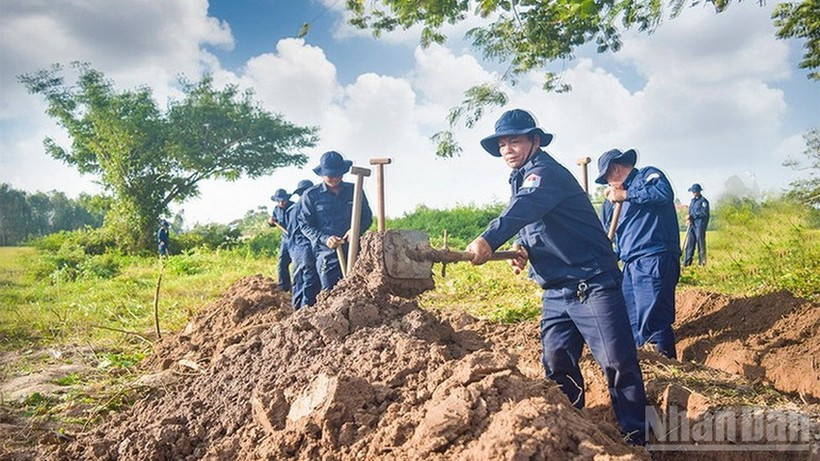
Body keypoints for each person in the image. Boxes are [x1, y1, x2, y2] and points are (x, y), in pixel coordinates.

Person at [465, 109, 649, 445]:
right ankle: (572, 432)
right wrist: (523, 247)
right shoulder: (520, 177)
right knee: (556, 362)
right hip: (555, 291)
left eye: (515, 141)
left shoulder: (544, 173)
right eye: (502, 143)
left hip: (590, 284)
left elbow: (523, 209)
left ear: (535, 140)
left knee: (617, 363)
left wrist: (487, 240)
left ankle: (636, 439)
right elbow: (535, 222)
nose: (507, 149)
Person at [596, 148, 681, 359]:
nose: (608, 183)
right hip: (630, 263)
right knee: (631, 320)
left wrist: (626, 195)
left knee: (653, 318)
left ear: (615, 168)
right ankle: (644, 365)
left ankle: (667, 368)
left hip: (655, 257)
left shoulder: (648, 175)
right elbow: (607, 233)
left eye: (607, 177)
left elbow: (664, 193)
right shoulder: (612, 201)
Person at [298, 151, 373, 291]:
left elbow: (367, 217)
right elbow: (305, 225)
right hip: (327, 253)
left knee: (359, 293)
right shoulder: (311, 195)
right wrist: (326, 239)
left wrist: (356, 230)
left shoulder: (355, 191)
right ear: (322, 174)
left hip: (354, 250)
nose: (334, 178)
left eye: (337, 174)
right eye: (330, 175)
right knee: (330, 294)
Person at [287, 179, 321, 309]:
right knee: (310, 280)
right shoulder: (307, 207)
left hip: (294, 249)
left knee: (298, 280)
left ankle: (296, 309)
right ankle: (306, 310)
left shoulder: (291, 209)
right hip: (306, 247)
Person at [269, 188, 293, 292]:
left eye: (283, 200)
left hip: (296, 239)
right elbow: (273, 222)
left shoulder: (294, 207)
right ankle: (284, 286)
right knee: (282, 263)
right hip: (285, 240)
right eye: (278, 201)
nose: (281, 203)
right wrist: (271, 221)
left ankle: (297, 286)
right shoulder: (276, 209)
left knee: (299, 264)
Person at [683, 183, 709, 266]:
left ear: (699, 191)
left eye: (695, 191)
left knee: (700, 243)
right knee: (690, 243)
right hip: (692, 225)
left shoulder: (704, 201)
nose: (694, 193)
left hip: (700, 225)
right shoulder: (692, 201)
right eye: (693, 192)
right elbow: (690, 211)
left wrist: (693, 216)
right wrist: (688, 218)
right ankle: (687, 262)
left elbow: (704, 213)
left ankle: (702, 262)